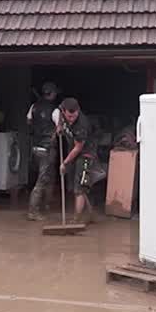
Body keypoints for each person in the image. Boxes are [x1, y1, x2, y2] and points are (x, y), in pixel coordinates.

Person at [56, 98, 102, 224]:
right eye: (69, 116)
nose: (71, 119)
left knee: (80, 188)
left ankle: (76, 220)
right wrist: (60, 126)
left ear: (78, 111)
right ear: (64, 111)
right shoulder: (61, 111)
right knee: (76, 186)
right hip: (74, 154)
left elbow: (78, 148)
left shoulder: (82, 124)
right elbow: (58, 112)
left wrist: (64, 163)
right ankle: (92, 215)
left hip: (85, 155)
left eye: (74, 116)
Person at [26, 81, 60, 221]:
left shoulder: (34, 106)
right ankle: (33, 211)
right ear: (52, 94)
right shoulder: (55, 110)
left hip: (35, 147)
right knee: (42, 179)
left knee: (48, 176)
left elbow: (28, 121)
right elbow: (59, 128)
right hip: (47, 148)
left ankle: (47, 205)